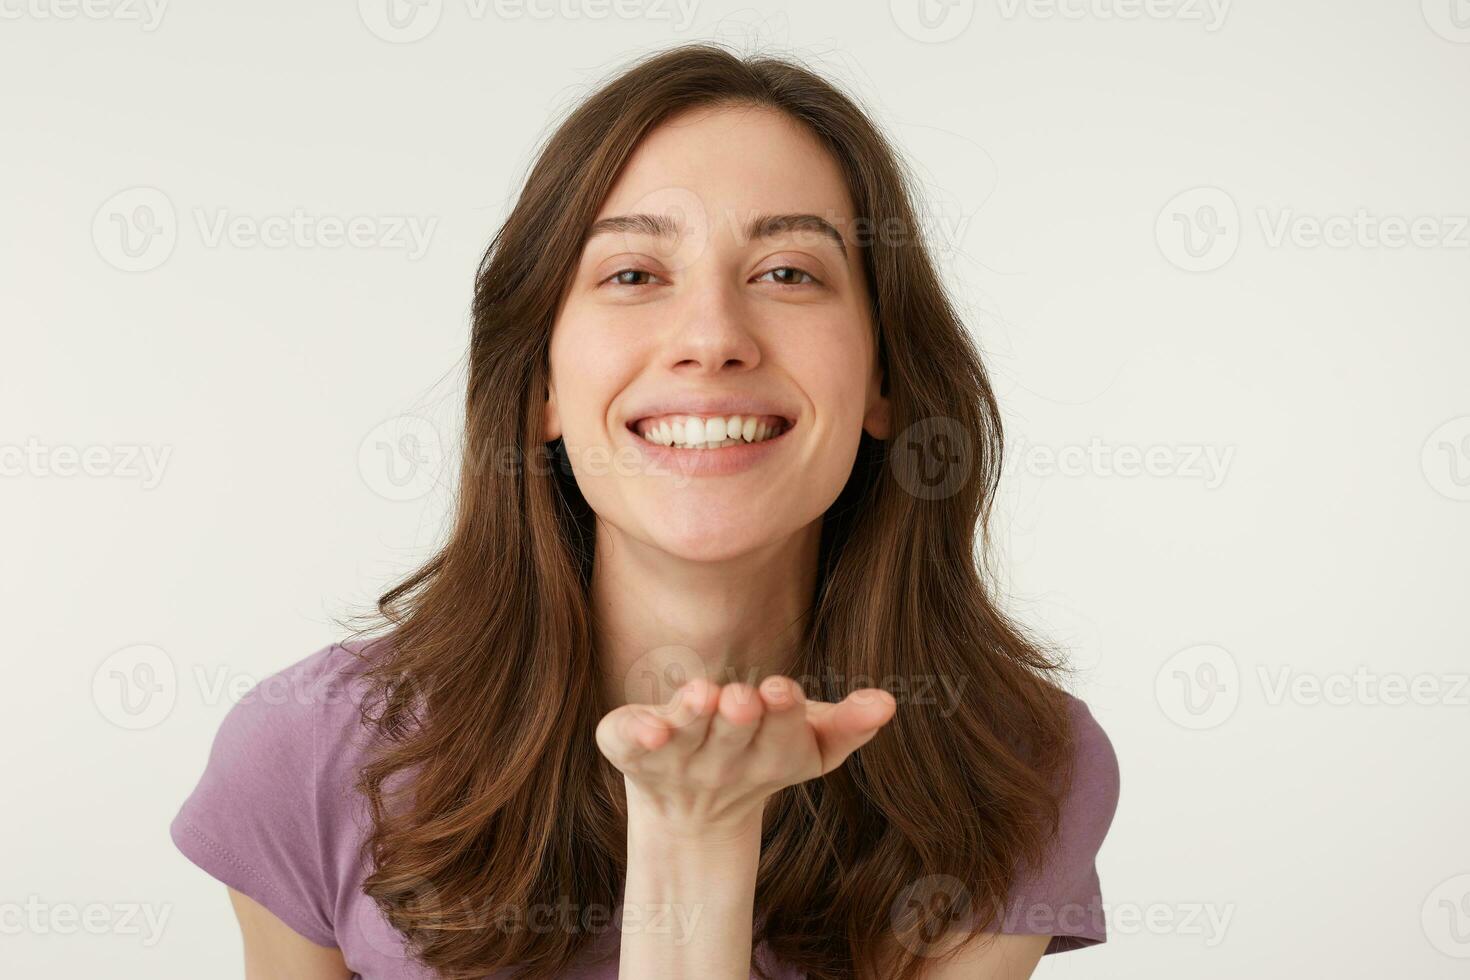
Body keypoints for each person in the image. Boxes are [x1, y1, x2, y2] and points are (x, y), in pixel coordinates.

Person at [171, 41, 1120, 980]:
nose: (711, 340)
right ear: (541, 385)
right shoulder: (306, 747)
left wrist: (698, 841)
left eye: (789, 272)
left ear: (883, 380)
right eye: (632, 274)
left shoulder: (1019, 764)